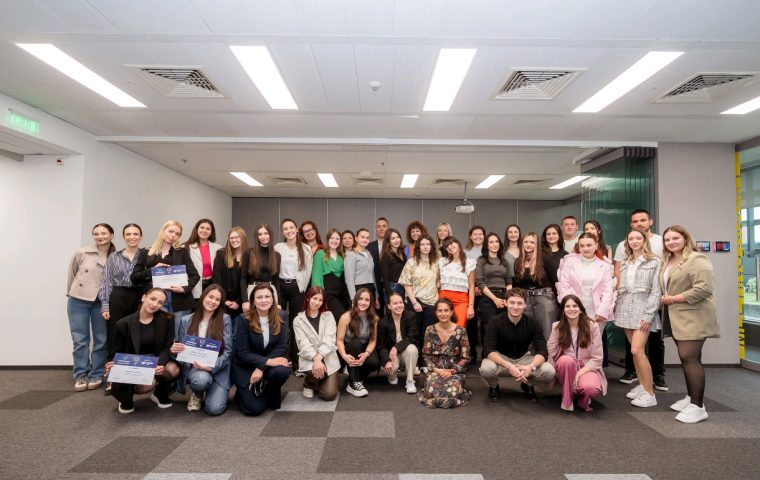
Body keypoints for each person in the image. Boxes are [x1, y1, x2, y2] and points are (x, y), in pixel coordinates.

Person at [660, 225, 720, 424]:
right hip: (678, 316)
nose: (671, 242)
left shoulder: (697, 258)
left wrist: (673, 299)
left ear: (685, 238)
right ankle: (691, 397)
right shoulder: (669, 259)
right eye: (667, 239)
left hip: (694, 316)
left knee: (689, 357)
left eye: (675, 238)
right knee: (689, 358)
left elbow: (704, 288)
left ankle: (698, 406)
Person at [613, 209, 667, 390]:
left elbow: (656, 291)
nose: (634, 241)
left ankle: (649, 392)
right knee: (636, 351)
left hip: (644, 310)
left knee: (637, 350)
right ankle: (642, 386)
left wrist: (649, 314)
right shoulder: (626, 263)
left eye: (638, 238)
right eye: (631, 239)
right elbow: (621, 287)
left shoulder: (655, 262)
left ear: (645, 241)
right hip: (626, 309)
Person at [106, 288, 180, 414]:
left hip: (155, 360)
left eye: (160, 302)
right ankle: (126, 398)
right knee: (147, 384)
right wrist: (114, 367)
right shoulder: (123, 324)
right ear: (144, 297)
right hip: (134, 364)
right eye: (153, 299)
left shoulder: (167, 319)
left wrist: (157, 364)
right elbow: (117, 353)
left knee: (173, 370)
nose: (155, 304)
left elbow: (167, 347)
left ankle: (159, 393)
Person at [479, 288, 555, 403]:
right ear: (506, 303)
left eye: (520, 303)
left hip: (524, 360)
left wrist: (531, 367)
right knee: (486, 369)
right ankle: (493, 386)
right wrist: (509, 366)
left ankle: (528, 384)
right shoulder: (495, 321)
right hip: (502, 360)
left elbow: (542, 351)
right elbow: (488, 350)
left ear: (525, 305)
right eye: (512, 302)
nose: (515, 306)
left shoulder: (533, 323)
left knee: (549, 371)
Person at [131, 220, 200, 340]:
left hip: (179, 300)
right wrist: (152, 270)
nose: (173, 235)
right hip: (155, 299)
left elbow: (195, 275)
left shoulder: (182, 252)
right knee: (157, 335)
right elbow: (134, 278)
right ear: (163, 231)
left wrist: (184, 288)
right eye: (171, 231)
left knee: (178, 336)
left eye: (177, 234)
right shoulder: (145, 252)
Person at [171, 284, 233, 415]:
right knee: (201, 380)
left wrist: (211, 367)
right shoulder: (186, 320)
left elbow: (228, 352)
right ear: (203, 296)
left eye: (217, 300)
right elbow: (182, 352)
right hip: (196, 369)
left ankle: (213, 390)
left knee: (214, 409)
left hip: (218, 369)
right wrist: (175, 351)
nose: (213, 301)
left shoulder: (225, 319)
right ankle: (198, 393)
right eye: (211, 297)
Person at [68, 223, 115, 392]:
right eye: (96, 233)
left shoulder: (116, 256)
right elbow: (72, 273)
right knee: (80, 339)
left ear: (111, 235)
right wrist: (70, 293)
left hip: (101, 301)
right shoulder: (82, 252)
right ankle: (81, 374)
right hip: (78, 299)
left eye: (104, 233)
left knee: (101, 340)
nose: (100, 236)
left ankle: (97, 373)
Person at [232, 284, 291, 416]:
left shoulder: (281, 315)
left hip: (267, 364)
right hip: (246, 365)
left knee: (282, 371)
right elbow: (243, 352)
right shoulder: (243, 319)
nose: (264, 300)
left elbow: (281, 346)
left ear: (273, 299)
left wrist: (261, 367)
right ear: (253, 301)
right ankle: (244, 394)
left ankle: (267, 388)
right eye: (259, 297)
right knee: (254, 409)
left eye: (267, 296)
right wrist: (265, 363)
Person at [556, 232, 614, 366]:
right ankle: (573, 370)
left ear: (596, 245)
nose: (585, 248)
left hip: (596, 310)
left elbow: (608, 290)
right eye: (582, 246)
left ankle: (593, 372)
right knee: (573, 342)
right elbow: (564, 285)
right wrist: (569, 307)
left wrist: (602, 311)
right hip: (574, 308)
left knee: (594, 344)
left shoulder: (605, 265)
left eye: (589, 245)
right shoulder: (569, 262)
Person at [547, 295, 607, 412]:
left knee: (591, 388)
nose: (571, 309)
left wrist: (579, 374)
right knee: (566, 360)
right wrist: (552, 375)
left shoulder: (593, 326)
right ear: (563, 311)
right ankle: (567, 399)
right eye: (567, 306)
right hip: (565, 366)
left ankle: (582, 398)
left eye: (575, 306)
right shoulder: (557, 327)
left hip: (586, 367)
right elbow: (551, 353)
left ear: (580, 309)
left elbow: (597, 358)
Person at [99, 224, 144, 367]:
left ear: (141, 237)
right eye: (128, 234)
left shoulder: (147, 255)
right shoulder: (114, 257)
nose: (132, 237)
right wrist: (105, 305)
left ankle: (135, 370)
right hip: (118, 296)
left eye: (135, 234)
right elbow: (106, 281)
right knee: (116, 334)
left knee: (138, 333)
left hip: (140, 296)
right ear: (124, 237)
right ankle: (114, 371)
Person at [418, 298, 471, 408]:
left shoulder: (461, 331)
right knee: (432, 393)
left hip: (454, 372)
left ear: (451, 312)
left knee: (451, 394)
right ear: (436, 313)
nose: (443, 314)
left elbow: (465, 358)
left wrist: (452, 371)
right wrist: (436, 370)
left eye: (446, 310)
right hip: (436, 371)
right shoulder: (430, 329)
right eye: (440, 310)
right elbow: (425, 355)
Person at [274, 218, 313, 362]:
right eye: (285, 229)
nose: (289, 231)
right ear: (282, 232)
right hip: (280, 287)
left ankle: (295, 359)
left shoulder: (306, 248)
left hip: (297, 288)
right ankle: (280, 357)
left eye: (291, 227)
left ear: (297, 229)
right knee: (279, 321)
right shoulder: (278, 247)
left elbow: (308, 271)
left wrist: (302, 288)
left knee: (296, 323)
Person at [293, 286, 340, 401]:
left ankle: (319, 381)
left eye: (320, 300)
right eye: (314, 298)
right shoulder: (298, 320)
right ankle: (309, 384)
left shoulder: (328, 316)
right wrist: (316, 360)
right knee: (313, 371)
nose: (317, 302)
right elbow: (303, 345)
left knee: (329, 395)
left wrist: (319, 359)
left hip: (328, 357)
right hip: (310, 359)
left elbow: (330, 340)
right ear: (308, 298)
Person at [398, 235, 440, 356]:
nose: (425, 247)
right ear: (418, 247)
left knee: (428, 334)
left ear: (431, 246)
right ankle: (415, 361)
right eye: (422, 244)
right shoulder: (411, 262)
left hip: (432, 303)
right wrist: (415, 302)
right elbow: (406, 283)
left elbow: (438, 282)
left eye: (428, 244)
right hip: (415, 302)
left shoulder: (436, 263)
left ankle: (425, 360)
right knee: (415, 333)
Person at [512, 232, 558, 340]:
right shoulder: (518, 262)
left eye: (532, 242)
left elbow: (555, 281)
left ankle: (546, 352)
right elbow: (517, 284)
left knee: (546, 332)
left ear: (537, 244)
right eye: (526, 242)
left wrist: (560, 303)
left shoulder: (546, 259)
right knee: (526, 331)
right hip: (525, 299)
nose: (528, 244)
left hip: (544, 298)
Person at [336, 288, 380, 397]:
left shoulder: (374, 318)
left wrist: (366, 354)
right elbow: (339, 340)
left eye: (367, 300)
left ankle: (358, 377)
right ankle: (353, 382)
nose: (363, 302)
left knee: (374, 362)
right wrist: (344, 356)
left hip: (363, 348)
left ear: (370, 303)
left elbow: (372, 340)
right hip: (348, 349)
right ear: (355, 300)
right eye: (361, 299)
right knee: (356, 343)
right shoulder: (345, 317)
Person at [475, 233, 512, 359]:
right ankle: (487, 356)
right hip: (488, 297)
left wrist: (507, 298)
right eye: (491, 242)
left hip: (503, 297)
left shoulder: (504, 261)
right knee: (488, 329)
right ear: (486, 245)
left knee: (503, 328)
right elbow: (480, 282)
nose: (494, 244)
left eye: (496, 241)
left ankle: (501, 358)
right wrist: (494, 299)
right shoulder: (481, 260)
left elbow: (508, 281)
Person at [378, 293, 419, 394]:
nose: (399, 305)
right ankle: (392, 375)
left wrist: (396, 347)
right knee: (393, 381)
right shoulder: (383, 322)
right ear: (389, 306)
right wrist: (387, 361)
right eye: (395, 303)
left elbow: (412, 337)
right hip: (392, 356)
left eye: (401, 302)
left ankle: (410, 381)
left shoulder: (410, 316)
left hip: (405, 353)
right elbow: (381, 346)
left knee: (412, 348)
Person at [311, 228, 350, 320]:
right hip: (328, 294)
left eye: (337, 239)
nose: (334, 241)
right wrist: (319, 296)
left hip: (342, 294)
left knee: (342, 320)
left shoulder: (342, 256)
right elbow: (316, 276)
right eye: (332, 238)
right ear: (328, 239)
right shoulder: (320, 254)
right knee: (342, 317)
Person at [241, 223, 281, 311]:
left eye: (266, 233)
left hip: (271, 291)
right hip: (253, 290)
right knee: (252, 319)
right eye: (260, 234)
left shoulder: (276, 255)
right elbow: (243, 279)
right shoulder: (249, 253)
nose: (263, 237)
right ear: (257, 237)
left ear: (270, 235)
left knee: (272, 319)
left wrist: (279, 303)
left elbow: (276, 280)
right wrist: (245, 301)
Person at [437, 237, 476, 328]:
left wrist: (471, 306)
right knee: (444, 328)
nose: (449, 247)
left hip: (461, 301)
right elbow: (438, 282)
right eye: (447, 246)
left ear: (458, 243)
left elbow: (471, 286)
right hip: (443, 300)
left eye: (451, 243)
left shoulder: (469, 263)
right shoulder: (443, 262)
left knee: (458, 329)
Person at [212, 227, 248, 320]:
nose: (234, 240)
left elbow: (249, 281)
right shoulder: (221, 254)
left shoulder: (249, 255)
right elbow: (216, 279)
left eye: (237, 237)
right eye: (231, 238)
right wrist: (224, 300)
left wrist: (238, 302)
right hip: (224, 302)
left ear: (243, 238)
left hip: (242, 303)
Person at [184, 219, 223, 301]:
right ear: (197, 229)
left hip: (211, 284)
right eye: (202, 227)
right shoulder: (186, 247)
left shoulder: (218, 248)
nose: (204, 231)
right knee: (195, 307)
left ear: (211, 232)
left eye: (208, 229)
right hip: (193, 285)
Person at [345, 228, 379, 308]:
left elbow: (373, 276)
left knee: (370, 314)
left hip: (371, 289)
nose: (365, 239)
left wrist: (376, 296)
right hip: (358, 290)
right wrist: (353, 298)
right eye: (362, 237)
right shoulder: (351, 255)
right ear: (356, 238)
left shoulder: (369, 254)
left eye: (367, 238)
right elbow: (349, 280)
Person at [379, 228, 407, 301]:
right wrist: (390, 295)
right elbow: (385, 279)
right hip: (392, 288)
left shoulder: (402, 254)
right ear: (388, 241)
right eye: (393, 238)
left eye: (398, 237)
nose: (396, 240)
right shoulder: (386, 257)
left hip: (403, 287)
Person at [368, 217, 389, 311]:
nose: (381, 228)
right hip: (375, 285)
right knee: (376, 312)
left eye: (384, 226)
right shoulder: (369, 246)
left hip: (391, 285)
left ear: (388, 228)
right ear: (375, 229)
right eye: (378, 226)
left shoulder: (394, 244)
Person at [541, 223, 567, 296]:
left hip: (559, 292)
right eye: (548, 234)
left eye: (554, 233)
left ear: (559, 235)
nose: (551, 236)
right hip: (542, 293)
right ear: (545, 236)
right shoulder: (539, 253)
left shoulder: (565, 255)